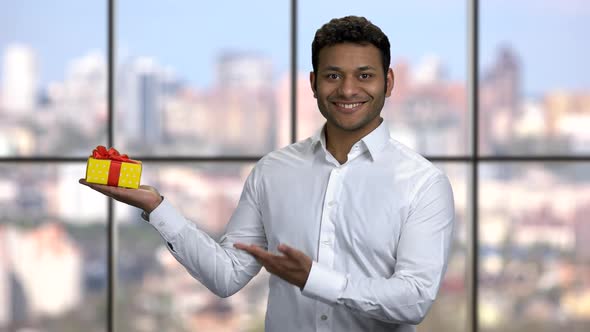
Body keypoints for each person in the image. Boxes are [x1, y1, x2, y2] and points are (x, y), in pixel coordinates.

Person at [80, 15, 455, 332]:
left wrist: (314, 279)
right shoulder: (273, 171)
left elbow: (414, 299)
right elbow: (225, 276)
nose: (348, 89)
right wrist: (157, 207)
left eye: (365, 75)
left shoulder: (423, 184)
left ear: (388, 83)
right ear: (313, 84)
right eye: (333, 75)